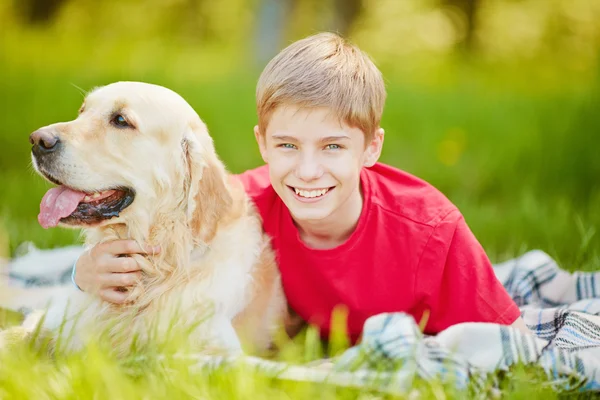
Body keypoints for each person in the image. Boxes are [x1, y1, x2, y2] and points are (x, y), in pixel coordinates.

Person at [72, 32, 531, 343]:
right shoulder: (240, 204)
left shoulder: (432, 233)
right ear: (262, 143)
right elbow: (164, 240)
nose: (307, 171)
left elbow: (511, 343)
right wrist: (83, 273)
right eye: (288, 145)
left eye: (333, 146)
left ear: (371, 148)